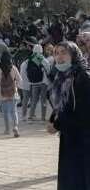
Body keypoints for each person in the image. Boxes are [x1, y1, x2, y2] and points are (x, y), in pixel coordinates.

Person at [47, 41, 90, 189]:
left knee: (81, 176)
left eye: (64, 52)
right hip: (69, 135)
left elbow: (83, 111)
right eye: (56, 53)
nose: (59, 57)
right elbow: (60, 105)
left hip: (84, 137)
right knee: (70, 176)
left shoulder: (83, 77)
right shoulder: (60, 77)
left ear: (74, 55)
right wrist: (53, 120)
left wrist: (57, 124)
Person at [0, 51, 21, 137]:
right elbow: (19, 80)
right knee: (14, 111)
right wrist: (17, 86)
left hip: (2, 93)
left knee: (5, 112)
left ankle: (7, 129)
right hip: (13, 92)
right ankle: (15, 127)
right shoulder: (13, 67)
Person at [25, 44, 50, 121]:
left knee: (34, 99)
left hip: (34, 82)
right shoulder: (43, 59)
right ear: (41, 50)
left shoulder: (30, 59)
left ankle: (31, 116)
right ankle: (43, 118)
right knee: (43, 100)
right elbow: (48, 70)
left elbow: (26, 70)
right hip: (43, 82)